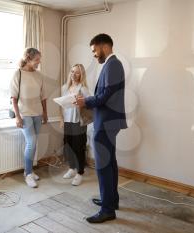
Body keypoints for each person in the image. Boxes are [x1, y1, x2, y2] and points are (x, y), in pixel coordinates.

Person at [75, 34, 127, 223]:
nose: (94, 55)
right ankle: (111, 201)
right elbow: (107, 94)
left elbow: (105, 95)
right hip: (109, 121)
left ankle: (107, 210)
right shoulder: (113, 65)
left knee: (104, 165)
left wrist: (84, 101)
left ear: (104, 46)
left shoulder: (113, 64)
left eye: (94, 50)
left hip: (106, 122)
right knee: (110, 163)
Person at [10, 47, 48, 188]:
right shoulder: (18, 74)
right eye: (37, 59)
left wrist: (45, 113)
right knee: (31, 143)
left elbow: (43, 96)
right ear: (28, 59)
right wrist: (17, 117)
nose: (39, 62)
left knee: (33, 143)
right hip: (24, 114)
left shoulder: (39, 75)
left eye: (39, 59)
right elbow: (13, 98)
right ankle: (27, 173)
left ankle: (30, 172)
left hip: (37, 114)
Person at [60, 64, 90, 186]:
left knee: (79, 148)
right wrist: (62, 119)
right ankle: (72, 169)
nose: (73, 74)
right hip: (67, 122)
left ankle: (80, 173)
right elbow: (62, 105)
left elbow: (90, 106)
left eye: (77, 72)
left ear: (81, 74)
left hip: (79, 122)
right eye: (72, 71)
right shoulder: (64, 88)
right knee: (68, 147)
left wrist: (81, 103)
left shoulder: (83, 89)